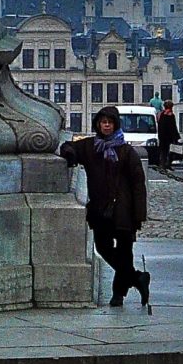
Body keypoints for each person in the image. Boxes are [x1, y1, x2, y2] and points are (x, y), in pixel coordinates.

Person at [60, 105, 150, 309]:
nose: (106, 126)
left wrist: (139, 214)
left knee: (125, 251)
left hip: (124, 210)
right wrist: (69, 154)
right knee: (103, 247)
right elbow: (68, 146)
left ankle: (118, 294)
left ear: (115, 125)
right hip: (100, 209)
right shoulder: (91, 147)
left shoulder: (127, 152)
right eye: (103, 122)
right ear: (98, 125)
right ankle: (137, 278)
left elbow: (138, 184)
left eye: (109, 122)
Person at [155, 100, 182, 173]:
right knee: (169, 151)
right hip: (169, 137)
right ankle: (166, 164)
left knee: (163, 151)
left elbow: (160, 126)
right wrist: (177, 137)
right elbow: (173, 127)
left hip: (162, 136)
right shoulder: (171, 115)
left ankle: (163, 164)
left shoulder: (161, 114)